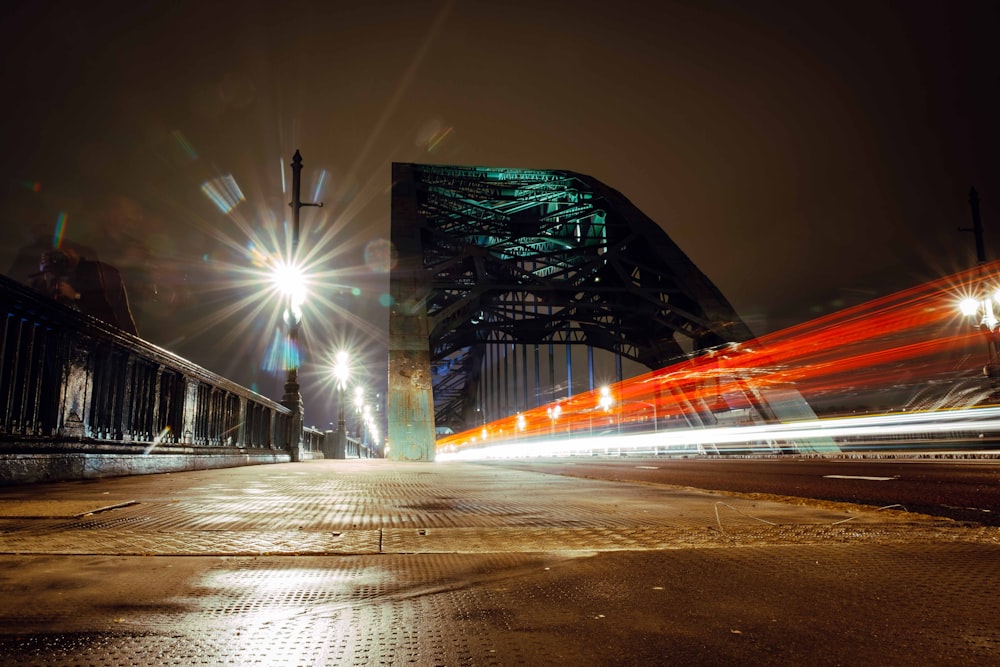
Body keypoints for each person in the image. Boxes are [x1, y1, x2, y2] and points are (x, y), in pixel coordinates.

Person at [31, 248, 139, 336]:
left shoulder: (95, 269)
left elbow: (107, 304)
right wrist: (43, 273)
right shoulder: (58, 278)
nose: (60, 258)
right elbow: (44, 306)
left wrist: (75, 295)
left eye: (62, 252)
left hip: (109, 339)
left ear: (73, 251)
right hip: (74, 337)